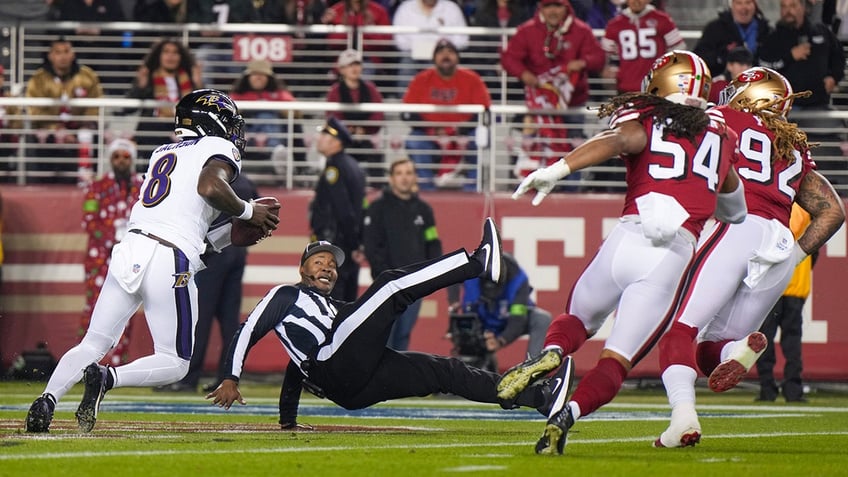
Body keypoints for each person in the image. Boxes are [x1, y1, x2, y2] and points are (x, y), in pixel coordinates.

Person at [497, 50, 746, 455]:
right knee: (616, 360)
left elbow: (617, 140)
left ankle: (553, 352)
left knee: (577, 318)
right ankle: (568, 415)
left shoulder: (645, 116)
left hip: (627, 238)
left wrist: (557, 169)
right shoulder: (721, 139)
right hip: (671, 254)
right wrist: (701, 192)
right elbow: (736, 212)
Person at [24, 88, 281, 434]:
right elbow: (209, 188)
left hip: (131, 247)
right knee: (176, 363)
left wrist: (223, 238)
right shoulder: (218, 148)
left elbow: (182, 224)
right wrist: (249, 210)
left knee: (93, 343)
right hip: (168, 254)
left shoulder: (163, 152)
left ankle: (47, 399)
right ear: (214, 121)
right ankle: (107, 377)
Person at [207, 220, 568, 425]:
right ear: (302, 269)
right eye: (318, 261)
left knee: (444, 370)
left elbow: (297, 367)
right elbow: (249, 328)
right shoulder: (286, 296)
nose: (327, 267)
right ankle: (477, 263)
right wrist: (230, 376)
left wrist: (287, 419)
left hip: (351, 383)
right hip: (336, 363)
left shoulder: (334, 309)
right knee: (390, 285)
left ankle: (539, 398)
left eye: (331, 264)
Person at [653, 67, 845, 448]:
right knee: (712, 354)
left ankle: (683, 417)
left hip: (736, 226)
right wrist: (795, 257)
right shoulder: (792, 147)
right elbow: (833, 211)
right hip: (779, 244)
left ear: (750, 95)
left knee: (679, 330)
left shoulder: (726, 118)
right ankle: (737, 350)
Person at [161, 173, 260, 392]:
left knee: (199, 316)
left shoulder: (209, 180)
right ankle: (227, 377)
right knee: (229, 320)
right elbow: (258, 214)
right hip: (236, 254)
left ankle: (188, 377)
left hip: (213, 253)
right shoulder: (246, 182)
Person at [500, 0, 606, 190]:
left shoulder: (581, 30)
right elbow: (509, 58)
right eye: (548, 6)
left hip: (571, 105)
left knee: (574, 148)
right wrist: (524, 74)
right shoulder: (528, 30)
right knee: (532, 146)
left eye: (557, 6)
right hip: (538, 104)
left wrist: (581, 63)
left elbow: (598, 58)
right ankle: (528, 188)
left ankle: (571, 191)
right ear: (541, 8)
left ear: (566, 8)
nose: (553, 11)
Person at [759, 0, 847, 194]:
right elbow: (763, 65)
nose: (788, 11)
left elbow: (839, 58)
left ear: (803, 7)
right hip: (786, 112)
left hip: (818, 108)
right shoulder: (773, 37)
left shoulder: (821, 32)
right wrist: (790, 56)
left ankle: (829, 192)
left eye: (792, 6)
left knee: (827, 150)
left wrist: (833, 77)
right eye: (784, 6)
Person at [362, 158, 445, 351]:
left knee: (403, 335)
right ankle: (379, 380)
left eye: (408, 173)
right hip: (386, 286)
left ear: (415, 177)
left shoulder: (424, 210)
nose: (404, 178)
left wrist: (431, 274)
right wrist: (385, 277)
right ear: (391, 178)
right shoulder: (378, 208)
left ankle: (397, 380)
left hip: (414, 286)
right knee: (385, 335)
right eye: (399, 173)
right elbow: (371, 246)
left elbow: (432, 242)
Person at [80, 138, 144, 367]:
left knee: (125, 310)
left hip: (131, 258)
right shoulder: (96, 187)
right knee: (95, 309)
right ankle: (86, 364)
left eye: (126, 157)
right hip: (100, 258)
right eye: (116, 156)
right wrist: (112, 234)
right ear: (110, 159)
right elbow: (89, 221)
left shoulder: (143, 187)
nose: (121, 161)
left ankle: (115, 366)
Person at [401, 39, 492, 190]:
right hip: (431, 135)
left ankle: (472, 190)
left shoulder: (471, 78)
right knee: (414, 141)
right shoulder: (421, 79)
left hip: (463, 133)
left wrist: (459, 131)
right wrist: (433, 130)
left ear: (457, 57)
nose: (446, 56)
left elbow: (485, 111)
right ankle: (427, 192)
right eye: (441, 53)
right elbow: (407, 113)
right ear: (434, 58)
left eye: (450, 52)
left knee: (482, 137)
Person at [756, 204, 814, 403]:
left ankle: (767, 388)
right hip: (795, 284)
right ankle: (793, 389)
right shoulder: (807, 209)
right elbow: (813, 252)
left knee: (764, 340)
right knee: (792, 342)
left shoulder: (776, 205)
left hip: (772, 284)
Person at [25, 37, 104, 184]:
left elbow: (95, 105)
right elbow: (34, 110)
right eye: (58, 52)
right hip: (49, 133)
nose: (62, 56)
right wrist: (56, 129)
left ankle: (85, 181)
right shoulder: (38, 79)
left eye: (66, 51)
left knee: (88, 136)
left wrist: (79, 128)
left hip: (79, 131)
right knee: (43, 137)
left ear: (73, 54)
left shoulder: (88, 76)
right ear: (50, 55)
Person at [450, 252, 552, 359]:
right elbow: (451, 271)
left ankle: (533, 364)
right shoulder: (470, 268)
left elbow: (518, 319)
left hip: (509, 320)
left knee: (542, 318)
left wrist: (501, 341)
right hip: (480, 319)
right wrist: (454, 300)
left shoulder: (519, 281)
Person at [309, 117, 366, 302]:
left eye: (324, 135)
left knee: (330, 303)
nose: (319, 138)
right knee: (346, 304)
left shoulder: (335, 168)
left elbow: (343, 210)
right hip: (347, 246)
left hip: (334, 246)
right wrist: (356, 244)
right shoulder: (354, 166)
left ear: (336, 142)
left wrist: (351, 243)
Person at [229, 59, 306, 184]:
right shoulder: (239, 95)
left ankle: (277, 152)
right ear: (248, 77)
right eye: (255, 74)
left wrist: (273, 106)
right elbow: (227, 111)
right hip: (248, 135)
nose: (258, 78)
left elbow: (296, 112)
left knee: (269, 116)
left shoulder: (278, 94)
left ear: (269, 78)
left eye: (262, 75)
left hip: (274, 134)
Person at [125, 39, 203, 160]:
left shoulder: (188, 78)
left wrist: (198, 84)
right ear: (159, 56)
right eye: (166, 52)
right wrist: (141, 86)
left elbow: (200, 106)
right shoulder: (149, 77)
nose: (170, 56)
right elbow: (128, 108)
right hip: (153, 132)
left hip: (181, 129)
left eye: (175, 52)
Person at [325, 49, 386, 183]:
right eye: (350, 65)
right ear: (341, 69)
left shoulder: (370, 89)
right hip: (343, 140)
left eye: (357, 64)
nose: (354, 68)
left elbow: (379, 114)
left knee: (374, 154)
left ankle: (377, 188)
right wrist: (349, 130)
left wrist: (364, 130)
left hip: (366, 137)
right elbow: (332, 117)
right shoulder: (335, 91)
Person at [602, 0, 685, 95]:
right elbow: (606, 55)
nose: (636, 1)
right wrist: (611, 69)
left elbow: (679, 50)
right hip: (626, 87)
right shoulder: (615, 24)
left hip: (656, 87)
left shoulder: (662, 19)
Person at [392, 0, 470, 93]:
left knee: (440, 61)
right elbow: (400, 41)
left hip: (443, 53)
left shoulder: (451, 8)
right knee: (407, 65)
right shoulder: (405, 8)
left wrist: (442, 48)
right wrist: (429, 49)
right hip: (413, 54)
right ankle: (406, 103)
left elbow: (463, 40)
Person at [693, 0, 771, 77]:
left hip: (758, 83)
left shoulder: (766, 30)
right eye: (739, 3)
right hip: (722, 84)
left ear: (755, 5)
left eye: (748, 2)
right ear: (732, 5)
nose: (744, 7)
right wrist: (721, 58)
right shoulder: (715, 29)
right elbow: (699, 59)